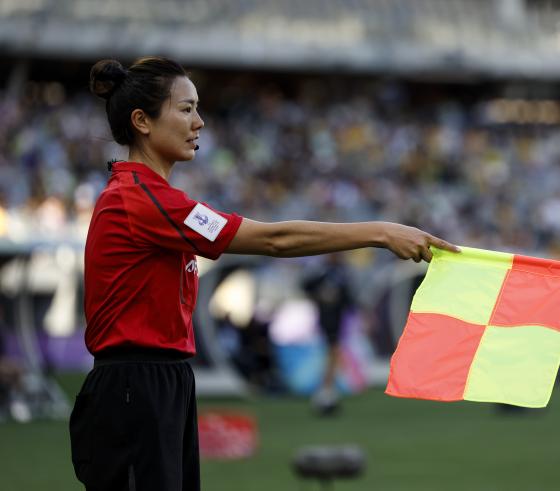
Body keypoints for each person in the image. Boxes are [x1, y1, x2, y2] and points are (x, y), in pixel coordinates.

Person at [69, 56, 459, 491]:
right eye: (185, 109)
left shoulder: (156, 199)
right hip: (134, 387)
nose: (199, 122)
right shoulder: (139, 199)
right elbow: (276, 240)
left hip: (163, 382)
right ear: (142, 120)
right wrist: (381, 232)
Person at [303, 253, 354, 415]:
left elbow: (348, 296)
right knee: (330, 354)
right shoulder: (322, 271)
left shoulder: (341, 272)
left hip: (338, 319)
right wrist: (320, 297)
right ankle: (325, 391)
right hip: (326, 319)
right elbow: (306, 286)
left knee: (333, 354)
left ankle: (327, 390)